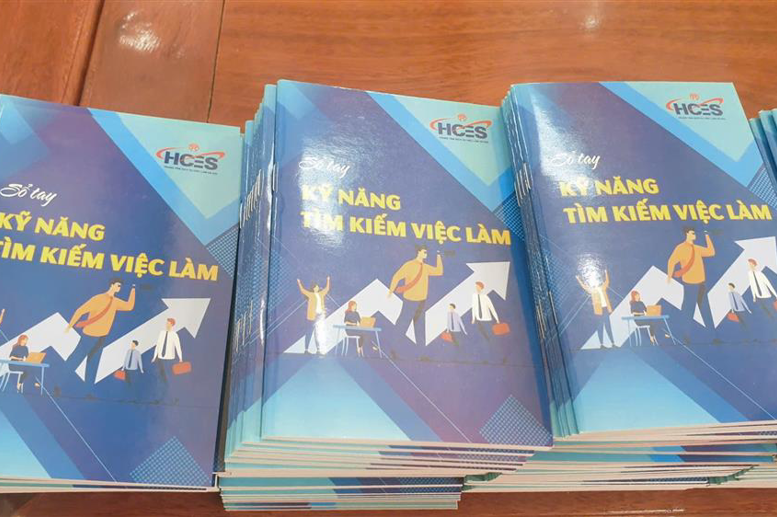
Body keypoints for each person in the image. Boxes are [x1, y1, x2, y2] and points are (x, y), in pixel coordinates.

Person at [65, 277, 136, 385]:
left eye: (120, 286)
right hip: (90, 336)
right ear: (112, 285)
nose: (119, 288)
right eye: (118, 285)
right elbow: (80, 311)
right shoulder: (98, 299)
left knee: (93, 364)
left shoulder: (116, 302)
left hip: (102, 337)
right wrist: (69, 326)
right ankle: (58, 382)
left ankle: (89, 388)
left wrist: (133, 290)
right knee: (75, 359)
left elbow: (129, 306)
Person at [388, 245, 443, 346]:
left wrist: (438, 256)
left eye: (426, 252)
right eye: (424, 252)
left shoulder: (425, 267)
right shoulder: (409, 265)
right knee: (401, 327)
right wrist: (391, 291)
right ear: (418, 252)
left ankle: (422, 352)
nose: (426, 254)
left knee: (420, 329)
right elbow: (396, 277)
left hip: (421, 302)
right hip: (410, 301)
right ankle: (392, 348)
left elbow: (439, 271)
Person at [666, 227, 715, 334]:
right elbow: (671, 261)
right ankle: (685, 335)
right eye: (692, 233)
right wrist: (669, 276)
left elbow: (711, 252)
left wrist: (707, 236)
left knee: (706, 310)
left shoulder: (696, 248)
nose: (694, 234)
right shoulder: (680, 248)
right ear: (687, 234)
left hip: (701, 284)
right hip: (690, 286)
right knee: (688, 311)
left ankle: (713, 335)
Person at [576, 269, 615, 347]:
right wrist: (578, 279)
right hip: (598, 311)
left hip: (605, 309)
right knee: (600, 327)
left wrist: (606, 272)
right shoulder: (592, 290)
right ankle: (601, 344)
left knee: (608, 326)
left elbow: (607, 281)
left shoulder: (603, 287)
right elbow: (584, 287)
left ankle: (612, 343)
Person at [297, 277, 330, 354]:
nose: (318, 287)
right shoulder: (310, 294)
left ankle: (318, 350)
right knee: (309, 332)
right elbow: (303, 290)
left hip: (319, 316)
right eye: (316, 287)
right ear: (314, 288)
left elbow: (327, 289)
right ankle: (306, 350)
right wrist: (299, 283)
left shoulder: (321, 294)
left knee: (317, 333)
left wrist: (328, 280)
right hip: (312, 316)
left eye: (318, 286)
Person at [151, 318, 182, 384]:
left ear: (172, 325)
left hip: (169, 359)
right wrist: (154, 357)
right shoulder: (162, 333)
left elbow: (178, 347)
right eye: (166, 323)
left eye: (168, 323)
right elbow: (158, 345)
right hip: (160, 359)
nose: (166, 325)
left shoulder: (174, 335)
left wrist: (180, 358)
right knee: (161, 376)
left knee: (169, 377)